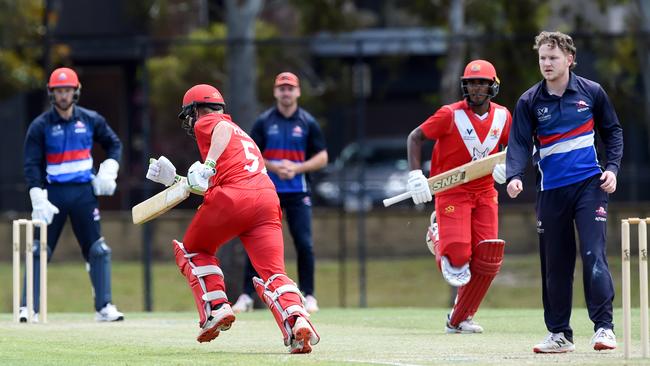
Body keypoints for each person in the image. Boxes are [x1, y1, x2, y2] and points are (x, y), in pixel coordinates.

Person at [145, 84, 320, 353]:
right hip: (266, 200)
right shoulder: (242, 136)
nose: (191, 122)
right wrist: (175, 180)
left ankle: (216, 307)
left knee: (194, 250)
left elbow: (219, 137)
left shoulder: (212, 123)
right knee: (273, 273)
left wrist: (209, 164)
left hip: (236, 197)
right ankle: (297, 323)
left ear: (197, 109)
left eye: (190, 115)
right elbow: (212, 182)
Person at [506, 31, 623, 353]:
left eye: (553, 57)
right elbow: (518, 143)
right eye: (542, 58)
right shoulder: (529, 101)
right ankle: (559, 334)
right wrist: (515, 176)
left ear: (569, 59)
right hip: (551, 191)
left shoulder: (592, 92)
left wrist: (612, 169)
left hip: (590, 186)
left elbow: (613, 131)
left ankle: (604, 328)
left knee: (593, 254)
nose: (546, 63)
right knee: (555, 264)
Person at [406, 60, 511, 334]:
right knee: (457, 260)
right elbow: (415, 137)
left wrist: (510, 168)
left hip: (486, 192)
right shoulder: (449, 114)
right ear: (465, 86)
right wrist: (416, 174)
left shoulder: (503, 116)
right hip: (453, 190)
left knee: (488, 258)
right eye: (472, 83)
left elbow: (516, 147)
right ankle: (438, 234)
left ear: (492, 86)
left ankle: (459, 318)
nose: (477, 88)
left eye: (482, 83)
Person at [21, 67, 124, 322]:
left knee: (98, 250)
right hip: (52, 194)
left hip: (83, 193)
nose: (64, 95)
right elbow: (31, 163)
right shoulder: (40, 125)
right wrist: (37, 196)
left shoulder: (90, 119)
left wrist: (108, 171)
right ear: (51, 93)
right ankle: (28, 308)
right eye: (59, 91)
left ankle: (104, 307)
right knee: (38, 249)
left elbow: (114, 144)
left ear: (76, 91)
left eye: (67, 90)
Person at [231, 72, 328, 314]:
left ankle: (309, 295)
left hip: (298, 192)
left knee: (304, 244)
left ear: (297, 92)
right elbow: (250, 153)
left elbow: (322, 157)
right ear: (275, 92)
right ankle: (246, 295)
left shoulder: (307, 122)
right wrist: (275, 166)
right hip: (267, 192)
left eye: (290, 88)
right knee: (256, 243)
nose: (286, 93)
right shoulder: (264, 122)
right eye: (282, 89)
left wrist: (297, 167)